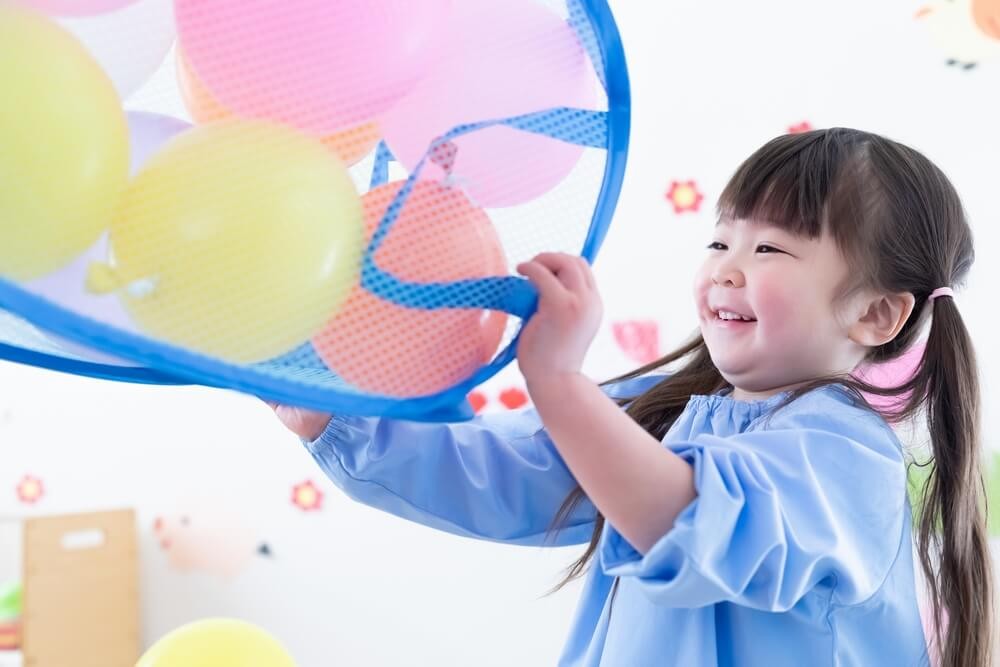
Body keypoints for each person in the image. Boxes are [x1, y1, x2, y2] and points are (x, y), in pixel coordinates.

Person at [274, 128, 994, 666]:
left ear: (876, 314)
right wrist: (337, 419)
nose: (728, 269)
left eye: (770, 249)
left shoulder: (845, 455)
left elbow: (690, 520)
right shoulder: (669, 412)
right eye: (720, 242)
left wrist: (559, 380)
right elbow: (503, 475)